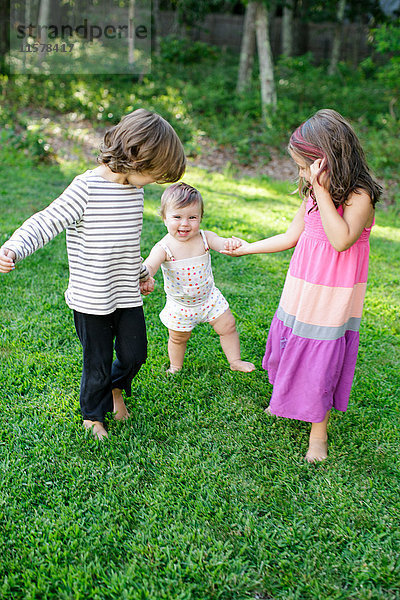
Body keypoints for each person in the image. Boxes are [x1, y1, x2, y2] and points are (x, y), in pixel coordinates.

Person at [0, 109, 186, 441]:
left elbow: (127, 245)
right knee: (97, 361)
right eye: (155, 174)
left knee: (135, 354)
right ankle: (92, 415)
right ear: (134, 157)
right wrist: (14, 247)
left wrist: (142, 273)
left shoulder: (135, 190)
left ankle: (115, 388)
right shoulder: (85, 188)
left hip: (125, 292)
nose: (156, 183)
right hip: (91, 297)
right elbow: (46, 221)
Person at [223, 109, 382, 462]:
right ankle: (284, 399)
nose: (300, 174)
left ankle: (318, 434)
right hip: (302, 287)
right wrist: (247, 248)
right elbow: (293, 235)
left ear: (325, 161)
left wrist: (323, 192)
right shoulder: (313, 193)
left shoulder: (360, 196)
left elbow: (341, 240)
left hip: (332, 296)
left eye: (303, 166)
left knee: (319, 359)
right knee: (289, 344)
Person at [140, 182, 255, 375]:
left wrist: (231, 243)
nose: (185, 223)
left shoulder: (204, 237)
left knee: (228, 327)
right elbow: (151, 264)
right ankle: (175, 366)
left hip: (209, 298)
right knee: (178, 338)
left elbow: (222, 244)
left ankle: (235, 361)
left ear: (200, 218)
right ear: (164, 218)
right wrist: (145, 274)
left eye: (192, 217)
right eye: (177, 217)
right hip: (180, 305)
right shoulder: (164, 247)